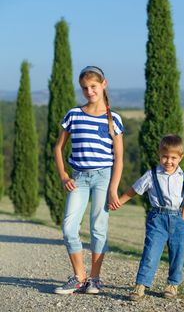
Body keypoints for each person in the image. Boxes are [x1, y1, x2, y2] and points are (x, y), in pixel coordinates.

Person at [53, 66, 124, 295]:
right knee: (68, 227)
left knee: (98, 228)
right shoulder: (74, 114)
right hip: (79, 178)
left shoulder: (114, 120)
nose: (89, 91)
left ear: (103, 84)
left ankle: (95, 279)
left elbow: (119, 158)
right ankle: (79, 277)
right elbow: (58, 148)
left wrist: (114, 188)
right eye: (85, 88)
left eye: (93, 86)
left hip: (104, 177)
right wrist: (64, 175)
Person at [116, 134, 184, 300]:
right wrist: (119, 202)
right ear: (159, 155)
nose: (168, 161)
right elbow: (134, 190)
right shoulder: (151, 175)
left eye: (173, 158)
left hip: (178, 220)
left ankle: (172, 285)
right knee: (151, 251)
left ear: (180, 158)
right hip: (157, 218)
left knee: (177, 254)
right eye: (165, 157)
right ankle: (140, 285)